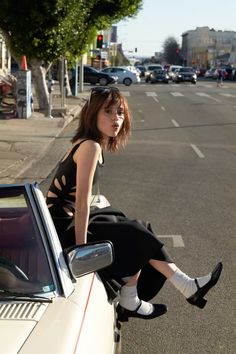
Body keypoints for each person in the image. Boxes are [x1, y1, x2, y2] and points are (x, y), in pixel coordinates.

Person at [46, 86, 223, 322]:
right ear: (92, 115)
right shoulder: (90, 146)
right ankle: (178, 288)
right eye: (107, 112)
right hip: (61, 230)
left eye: (119, 112)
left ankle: (164, 291)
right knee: (132, 231)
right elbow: (79, 203)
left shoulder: (88, 143)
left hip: (61, 222)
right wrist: (83, 251)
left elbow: (78, 195)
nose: (116, 118)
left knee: (134, 225)